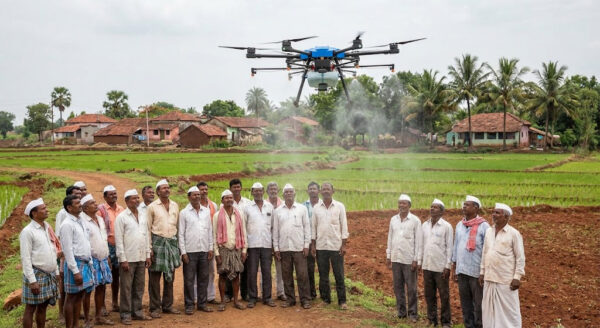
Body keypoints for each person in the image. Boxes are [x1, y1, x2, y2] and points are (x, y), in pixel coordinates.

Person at [480, 203, 525, 328]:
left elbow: (520, 257)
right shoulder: (489, 231)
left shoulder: (514, 234)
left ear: (506, 217)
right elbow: (485, 252)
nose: (494, 215)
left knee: (509, 312)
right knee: (489, 311)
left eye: (497, 213)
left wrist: (517, 277)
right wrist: (482, 272)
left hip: (505, 279)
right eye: (493, 212)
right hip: (489, 277)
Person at [115, 189, 153, 325]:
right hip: (128, 259)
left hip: (141, 257)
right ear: (126, 201)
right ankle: (125, 314)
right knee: (126, 287)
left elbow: (146, 236)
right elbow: (119, 240)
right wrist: (123, 259)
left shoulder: (143, 215)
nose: (137, 200)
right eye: (133, 198)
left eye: (138, 198)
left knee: (139, 286)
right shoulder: (122, 217)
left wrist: (148, 254)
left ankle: (137, 311)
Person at [20, 198, 59, 328]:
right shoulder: (27, 232)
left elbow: (53, 249)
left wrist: (56, 270)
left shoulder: (47, 227)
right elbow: (25, 258)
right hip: (36, 274)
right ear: (34, 213)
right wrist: (32, 281)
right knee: (30, 308)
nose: (46, 210)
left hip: (49, 273)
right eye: (43, 208)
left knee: (43, 306)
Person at [452, 195, 490, 328]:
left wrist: (483, 272)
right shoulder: (460, 225)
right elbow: (456, 247)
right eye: (463, 205)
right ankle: (469, 325)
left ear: (476, 208)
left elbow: (487, 250)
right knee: (466, 303)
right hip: (462, 270)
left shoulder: (484, 226)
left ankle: (480, 325)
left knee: (479, 304)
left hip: (476, 272)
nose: (464, 207)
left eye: (467, 205)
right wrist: (454, 268)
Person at [311, 182, 349, 310]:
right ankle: (326, 299)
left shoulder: (339, 207)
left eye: (328, 189)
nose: (326, 191)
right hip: (321, 247)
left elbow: (344, 226)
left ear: (333, 191)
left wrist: (344, 245)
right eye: (324, 189)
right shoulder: (316, 208)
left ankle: (342, 301)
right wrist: (313, 245)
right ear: (321, 192)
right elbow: (313, 228)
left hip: (336, 247)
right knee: (323, 275)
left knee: (339, 275)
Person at [273, 184, 311, 309]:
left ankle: (305, 299)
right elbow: (275, 232)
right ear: (283, 195)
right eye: (286, 192)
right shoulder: (278, 211)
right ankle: (290, 299)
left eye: (291, 192)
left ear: (294, 194)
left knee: (302, 274)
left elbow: (307, 228)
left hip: (299, 248)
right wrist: (276, 248)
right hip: (284, 248)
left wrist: (306, 245)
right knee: (286, 275)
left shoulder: (301, 209)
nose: (289, 194)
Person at [147, 179, 181, 317]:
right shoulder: (152, 207)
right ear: (158, 191)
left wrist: (177, 246)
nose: (167, 190)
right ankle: (154, 308)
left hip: (171, 243)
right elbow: (147, 228)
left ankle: (167, 305)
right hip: (157, 243)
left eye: (168, 188)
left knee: (170, 276)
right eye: (163, 188)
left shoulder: (175, 205)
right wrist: (149, 249)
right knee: (154, 278)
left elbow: (177, 227)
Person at [59, 195, 95, 328]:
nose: (81, 204)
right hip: (75, 264)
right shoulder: (67, 225)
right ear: (69, 207)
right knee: (71, 297)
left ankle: (75, 325)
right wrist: (75, 271)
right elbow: (67, 250)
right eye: (77, 203)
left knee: (79, 295)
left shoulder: (80, 221)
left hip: (84, 262)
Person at [178, 186, 215, 315]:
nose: (197, 197)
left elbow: (210, 231)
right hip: (190, 252)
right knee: (189, 279)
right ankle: (189, 305)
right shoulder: (184, 213)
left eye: (198, 195)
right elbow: (181, 234)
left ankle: (202, 303)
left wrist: (210, 248)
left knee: (203, 278)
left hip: (204, 250)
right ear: (189, 197)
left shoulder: (206, 211)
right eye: (194, 195)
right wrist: (183, 252)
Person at [386, 194, 421, 322]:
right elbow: (390, 238)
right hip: (396, 258)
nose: (401, 205)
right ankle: (401, 312)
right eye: (400, 203)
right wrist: (388, 256)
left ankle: (413, 314)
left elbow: (418, 241)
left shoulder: (415, 221)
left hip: (408, 260)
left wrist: (416, 259)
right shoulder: (393, 219)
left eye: (404, 203)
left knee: (411, 288)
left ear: (409, 205)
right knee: (398, 287)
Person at [80, 194, 114, 326]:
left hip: (102, 258)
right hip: (90, 260)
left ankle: (99, 316)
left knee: (101, 287)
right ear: (85, 207)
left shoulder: (99, 219)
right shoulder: (82, 221)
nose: (96, 204)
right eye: (92, 203)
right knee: (88, 290)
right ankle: (87, 319)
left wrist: (107, 256)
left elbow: (104, 239)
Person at [418, 199, 453, 327]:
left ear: (442, 211)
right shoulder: (424, 225)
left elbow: (449, 247)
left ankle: (446, 321)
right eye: (431, 207)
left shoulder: (446, 227)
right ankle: (432, 320)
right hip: (427, 266)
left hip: (440, 267)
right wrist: (420, 262)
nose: (432, 209)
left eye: (436, 207)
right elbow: (421, 246)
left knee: (444, 295)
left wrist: (448, 266)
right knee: (429, 294)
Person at [243, 182, 276, 308]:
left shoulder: (269, 207)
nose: (258, 193)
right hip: (252, 245)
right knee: (252, 272)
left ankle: (267, 297)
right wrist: (245, 248)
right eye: (255, 191)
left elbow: (273, 227)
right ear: (252, 192)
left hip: (267, 245)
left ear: (263, 191)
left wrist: (273, 245)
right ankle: (252, 298)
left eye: (260, 190)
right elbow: (244, 228)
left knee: (267, 272)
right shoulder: (247, 208)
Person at [213, 190, 247, 311]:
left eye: (230, 198)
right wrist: (216, 253)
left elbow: (244, 232)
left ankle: (236, 301)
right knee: (222, 276)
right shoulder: (217, 216)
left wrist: (244, 250)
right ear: (222, 200)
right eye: (226, 198)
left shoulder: (239, 214)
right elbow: (214, 235)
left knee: (236, 275)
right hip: (223, 249)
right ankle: (222, 301)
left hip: (236, 248)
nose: (229, 200)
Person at [55, 185, 82, 323]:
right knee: (65, 288)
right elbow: (60, 237)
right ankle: (62, 314)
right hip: (66, 256)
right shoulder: (63, 215)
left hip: (77, 258)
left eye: (80, 194)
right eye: (76, 195)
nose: (80, 196)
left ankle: (74, 316)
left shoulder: (79, 216)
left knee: (76, 290)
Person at [96, 185, 124, 313]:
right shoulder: (100, 211)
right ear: (105, 197)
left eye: (115, 193)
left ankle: (114, 302)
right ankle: (101, 306)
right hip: (106, 246)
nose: (114, 196)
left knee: (116, 276)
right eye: (111, 194)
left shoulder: (121, 209)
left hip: (119, 246)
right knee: (103, 277)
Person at [228, 178, 251, 301]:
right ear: (230, 189)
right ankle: (229, 294)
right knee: (230, 267)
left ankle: (245, 293)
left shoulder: (247, 203)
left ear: (241, 188)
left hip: (244, 239)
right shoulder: (225, 203)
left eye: (238, 187)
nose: (236, 189)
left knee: (245, 268)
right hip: (231, 241)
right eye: (234, 187)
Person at [197, 181, 218, 304]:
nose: (204, 191)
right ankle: (196, 297)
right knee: (197, 272)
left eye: (206, 189)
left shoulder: (213, 205)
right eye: (201, 189)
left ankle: (210, 296)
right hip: (197, 241)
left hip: (210, 242)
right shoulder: (194, 205)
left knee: (210, 271)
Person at [266, 181, 286, 302]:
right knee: (265, 269)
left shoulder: (283, 205)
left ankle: (281, 292)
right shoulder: (263, 204)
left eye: (275, 189)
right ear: (267, 191)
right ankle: (265, 293)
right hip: (266, 241)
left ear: (278, 191)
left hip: (280, 241)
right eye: (271, 189)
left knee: (280, 268)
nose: (273, 191)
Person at [302, 181, 321, 300]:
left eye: (314, 189)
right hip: (308, 241)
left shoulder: (323, 205)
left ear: (318, 191)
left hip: (323, 241)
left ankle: (324, 294)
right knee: (309, 268)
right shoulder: (303, 206)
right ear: (307, 191)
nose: (313, 190)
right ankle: (311, 293)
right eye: (310, 189)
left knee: (322, 268)